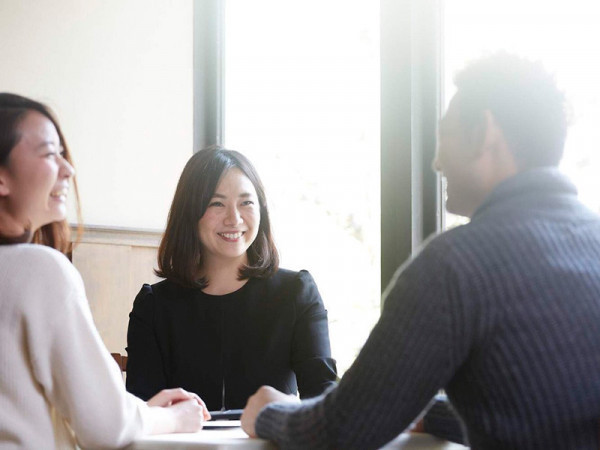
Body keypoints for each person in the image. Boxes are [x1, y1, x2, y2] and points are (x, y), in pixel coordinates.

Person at [240, 52, 600, 449]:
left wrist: (269, 413)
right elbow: (540, 408)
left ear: (485, 131)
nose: (436, 161)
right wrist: (422, 410)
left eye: (444, 134)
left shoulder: (456, 265)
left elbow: (339, 431)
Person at [0, 93, 211, 449]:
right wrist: (174, 418)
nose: (69, 170)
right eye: (51, 153)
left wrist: (137, 409)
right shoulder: (40, 270)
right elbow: (106, 428)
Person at [126, 147, 337, 411]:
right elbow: (141, 414)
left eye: (246, 202)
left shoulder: (295, 293)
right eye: (217, 203)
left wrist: (280, 405)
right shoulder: (154, 306)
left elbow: (324, 403)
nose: (234, 219)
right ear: (190, 212)